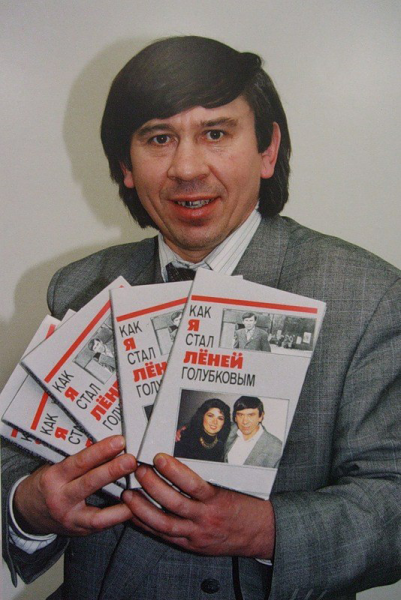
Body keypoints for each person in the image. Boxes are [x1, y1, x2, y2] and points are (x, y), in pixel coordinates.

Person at [2, 35, 400, 600]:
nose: (187, 168)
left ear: (267, 150)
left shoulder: (368, 296)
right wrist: (29, 503)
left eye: (215, 133)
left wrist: (264, 529)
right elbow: (18, 452)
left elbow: (392, 498)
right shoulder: (80, 286)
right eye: (158, 138)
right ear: (126, 166)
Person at [224, 396, 282, 468]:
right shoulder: (229, 429)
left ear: (261, 416)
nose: (245, 421)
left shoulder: (277, 448)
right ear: (235, 417)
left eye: (251, 415)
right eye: (240, 415)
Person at [174, 398, 231, 462]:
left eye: (220, 418)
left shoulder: (224, 444)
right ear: (202, 416)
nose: (215, 422)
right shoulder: (185, 438)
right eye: (210, 416)